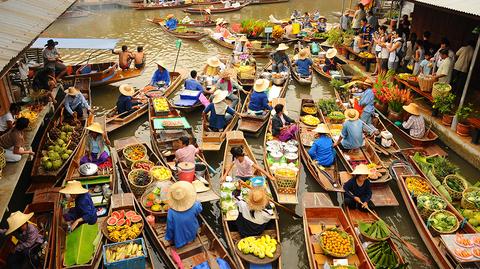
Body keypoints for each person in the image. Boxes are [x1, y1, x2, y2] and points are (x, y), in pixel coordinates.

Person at [165, 181, 202, 248]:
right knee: (190, 230)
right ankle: (190, 241)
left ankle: (181, 243)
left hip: (179, 238)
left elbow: (170, 227)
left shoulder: (171, 212)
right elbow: (199, 209)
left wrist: (168, 238)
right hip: (192, 232)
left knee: (178, 234)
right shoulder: (195, 205)